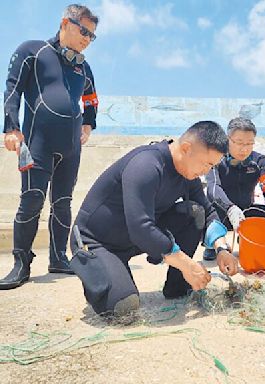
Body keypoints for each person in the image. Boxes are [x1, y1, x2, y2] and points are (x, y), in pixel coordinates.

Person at [70, 121, 239, 315]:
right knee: (123, 307)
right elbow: (141, 227)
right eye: (206, 164)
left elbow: (208, 211)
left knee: (194, 212)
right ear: (186, 148)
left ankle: (178, 286)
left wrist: (222, 250)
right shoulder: (146, 165)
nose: (206, 172)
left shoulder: (187, 172)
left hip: (134, 239)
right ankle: (102, 271)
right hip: (98, 241)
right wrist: (187, 264)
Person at [0, 4, 99, 290]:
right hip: (37, 142)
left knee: (63, 202)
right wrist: (11, 127)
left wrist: (88, 123)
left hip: (70, 147)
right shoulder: (33, 51)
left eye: (92, 36)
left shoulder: (83, 66)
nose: (87, 40)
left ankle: (58, 258)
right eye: (84, 31)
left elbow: (91, 97)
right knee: (32, 198)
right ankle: (21, 264)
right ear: (65, 23)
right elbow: (12, 88)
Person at [204, 117, 265, 260]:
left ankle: (245, 239)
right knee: (203, 215)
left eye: (249, 143)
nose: (244, 148)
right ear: (227, 139)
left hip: (245, 212)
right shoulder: (217, 158)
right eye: (239, 143)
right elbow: (212, 187)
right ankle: (214, 244)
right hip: (221, 212)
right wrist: (230, 208)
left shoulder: (259, 161)